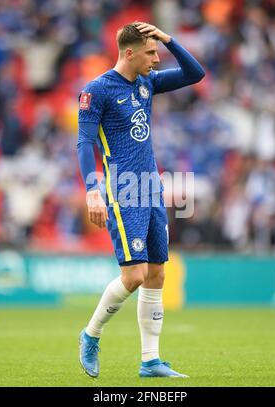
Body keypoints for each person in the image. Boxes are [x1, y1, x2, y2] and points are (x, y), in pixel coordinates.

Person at [77, 22, 205, 378]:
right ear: (129, 53)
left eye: (158, 52)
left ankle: (150, 361)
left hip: (151, 188)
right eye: (151, 52)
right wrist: (92, 190)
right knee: (133, 276)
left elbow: (196, 74)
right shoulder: (97, 90)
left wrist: (168, 38)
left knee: (157, 274)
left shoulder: (147, 82)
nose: (156, 58)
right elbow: (84, 143)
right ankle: (90, 334)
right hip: (122, 191)